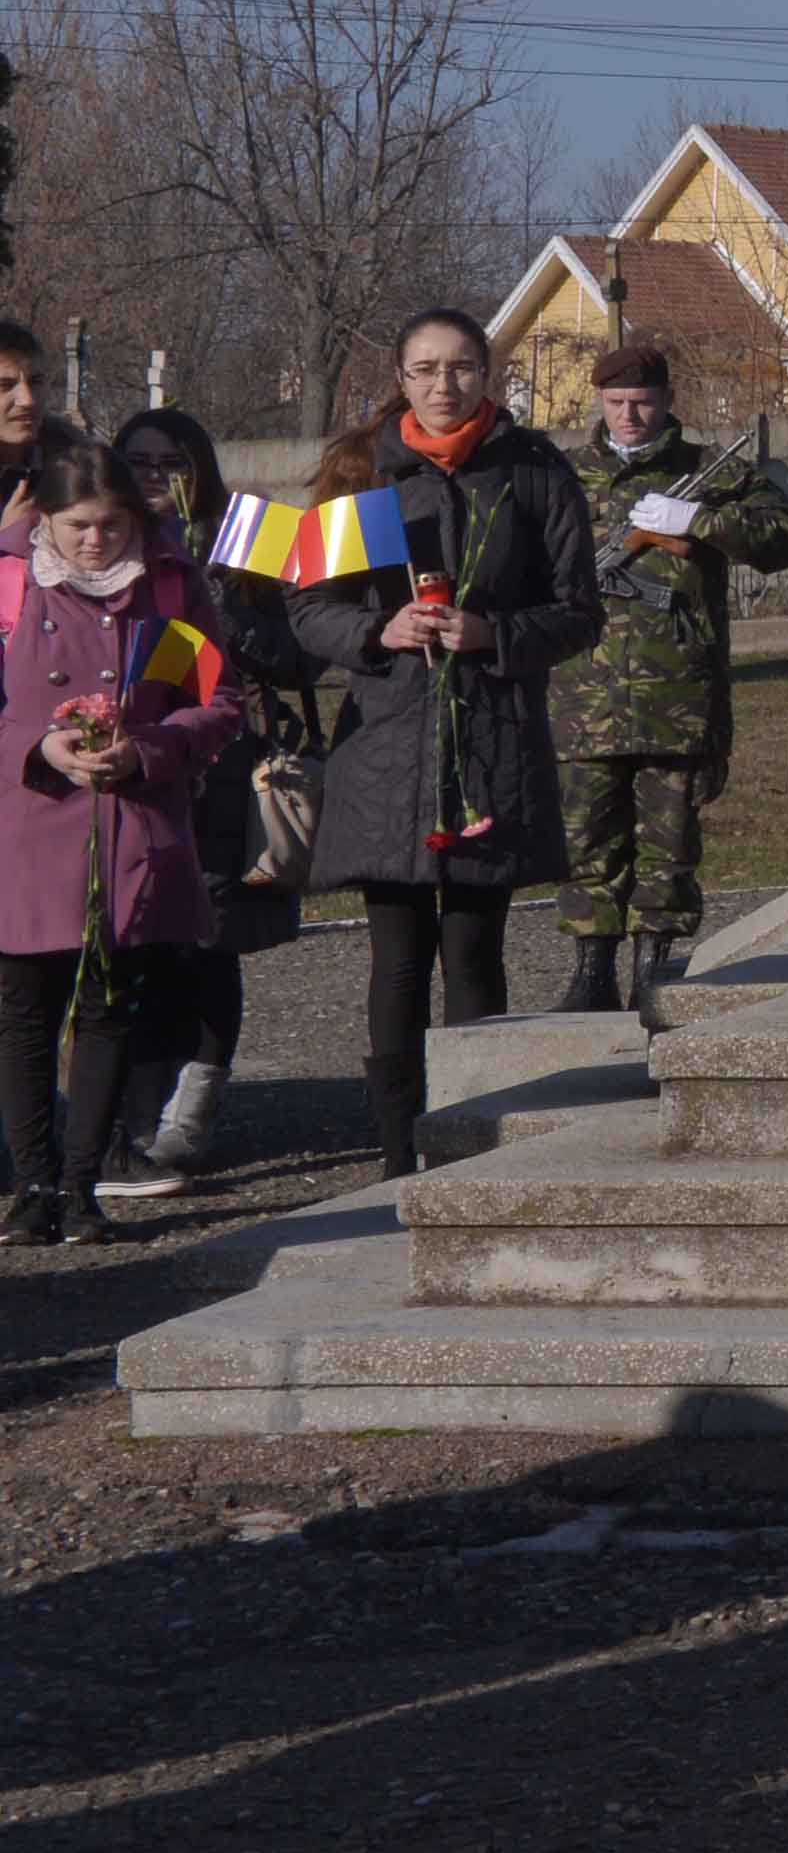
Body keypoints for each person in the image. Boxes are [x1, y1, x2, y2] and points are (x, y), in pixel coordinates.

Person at [288, 311, 599, 1175]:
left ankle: (468, 1140)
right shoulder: (361, 474)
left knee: (474, 951)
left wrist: (491, 634)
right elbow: (308, 609)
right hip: (387, 747)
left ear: (487, 373)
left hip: (490, 744)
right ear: (400, 373)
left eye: (461, 367)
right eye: (425, 368)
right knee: (396, 960)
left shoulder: (532, 472)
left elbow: (579, 611)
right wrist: (377, 631)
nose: (443, 384)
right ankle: (396, 1151)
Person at [0, 443, 243, 1244]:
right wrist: (40, 747)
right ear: (45, 520)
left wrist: (149, 748)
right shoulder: (8, 587)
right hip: (26, 823)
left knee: (108, 1008)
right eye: (77, 527)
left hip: (129, 821)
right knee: (26, 1012)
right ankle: (31, 1184)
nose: (95, 543)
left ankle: (80, 1185)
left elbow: (215, 702)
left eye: (112, 526)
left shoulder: (169, 589)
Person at [544, 342, 788, 1017]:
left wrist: (699, 521)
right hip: (581, 695)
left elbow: (784, 535)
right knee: (585, 840)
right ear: (596, 404)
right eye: (614, 404)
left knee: (669, 843)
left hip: (679, 695)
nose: (629, 416)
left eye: (642, 402)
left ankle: (655, 971)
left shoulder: (705, 473)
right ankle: (589, 972)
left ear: (667, 402)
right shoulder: (565, 475)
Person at [97, 405, 299, 1189]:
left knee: (210, 939)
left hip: (219, 768)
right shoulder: (97, 537)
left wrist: (225, 612)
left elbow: (295, 656)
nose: (154, 475)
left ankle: (195, 1102)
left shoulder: (245, 539)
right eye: (139, 460)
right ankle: (135, 1117)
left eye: (172, 463)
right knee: (140, 943)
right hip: (136, 770)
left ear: (200, 472)